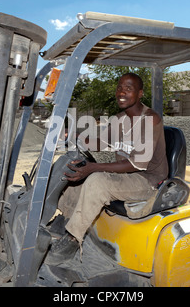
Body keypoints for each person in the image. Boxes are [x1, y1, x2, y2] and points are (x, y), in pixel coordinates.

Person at [45, 73, 168, 265]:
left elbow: (138, 164)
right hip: (127, 176)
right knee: (75, 171)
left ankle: (72, 239)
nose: (121, 92)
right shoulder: (120, 119)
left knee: (96, 180)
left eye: (128, 88)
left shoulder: (149, 119)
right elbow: (102, 142)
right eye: (119, 87)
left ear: (140, 93)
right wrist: (75, 136)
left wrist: (93, 168)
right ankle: (66, 220)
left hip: (147, 180)